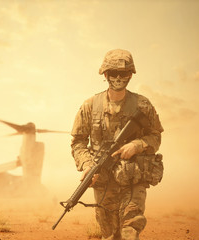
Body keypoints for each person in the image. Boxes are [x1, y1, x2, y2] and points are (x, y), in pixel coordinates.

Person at [71, 49, 164, 240]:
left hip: (133, 178)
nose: (119, 78)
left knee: (130, 229)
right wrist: (87, 165)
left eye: (124, 74)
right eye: (114, 73)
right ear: (105, 75)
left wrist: (138, 145)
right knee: (110, 234)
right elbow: (78, 142)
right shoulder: (90, 106)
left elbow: (155, 136)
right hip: (103, 180)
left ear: (130, 75)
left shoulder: (142, 105)